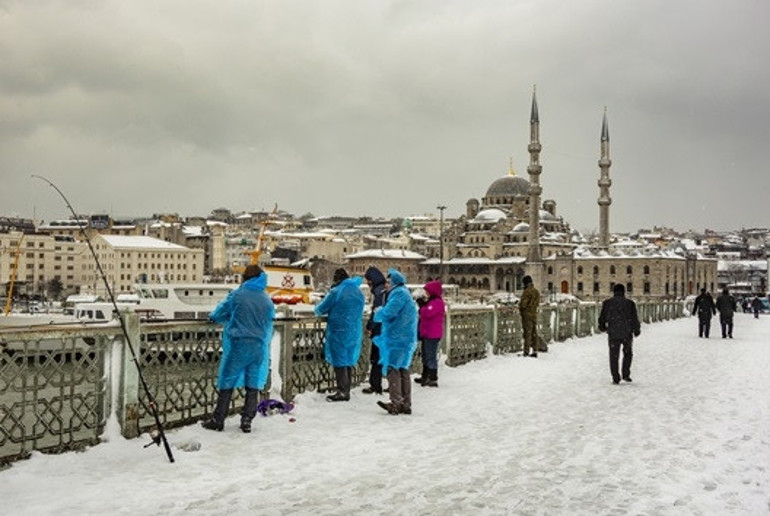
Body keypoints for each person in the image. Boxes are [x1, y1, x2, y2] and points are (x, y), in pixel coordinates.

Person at [202, 265, 275, 433]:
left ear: (245, 278)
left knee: (227, 381)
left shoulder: (237, 295)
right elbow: (270, 318)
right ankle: (247, 420)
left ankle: (218, 419)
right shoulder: (266, 298)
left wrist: (217, 318)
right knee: (253, 382)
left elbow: (219, 313)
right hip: (258, 347)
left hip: (239, 344)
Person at [314, 268, 366, 402]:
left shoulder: (336, 291)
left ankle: (342, 391)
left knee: (340, 360)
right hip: (354, 330)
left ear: (336, 279)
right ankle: (346, 388)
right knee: (348, 359)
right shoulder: (358, 291)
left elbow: (320, 310)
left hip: (339, 331)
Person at [373, 268, 418, 415]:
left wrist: (377, 312)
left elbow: (389, 313)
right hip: (405, 337)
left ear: (394, 282)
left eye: (388, 281)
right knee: (403, 369)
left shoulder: (398, 294)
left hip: (398, 338)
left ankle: (396, 402)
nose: (386, 284)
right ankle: (406, 403)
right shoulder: (405, 293)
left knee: (393, 369)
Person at [598, 283, 641, 384]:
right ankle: (625, 374)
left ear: (613, 291)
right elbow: (634, 318)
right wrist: (636, 330)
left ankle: (615, 377)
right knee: (628, 354)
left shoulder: (607, 303)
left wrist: (602, 327)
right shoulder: (630, 303)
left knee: (613, 355)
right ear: (624, 292)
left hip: (613, 332)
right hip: (627, 333)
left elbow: (602, 318)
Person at [414, 279, 445, 387]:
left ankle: (432, 378)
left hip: (432, 334)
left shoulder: (437, 302)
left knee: (430, 356)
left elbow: (427, 313)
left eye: (427, 291)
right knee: (426, 355)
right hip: (427, 333)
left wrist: (422, 306)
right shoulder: (432, 301)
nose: (426, 293)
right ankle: (425, 375)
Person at [362, 266, 387, 395]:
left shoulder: (379, 292)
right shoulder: (384, 290)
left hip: (380, 330)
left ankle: (375, 384)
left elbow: (377, 312)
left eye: (368, 280)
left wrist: (369, 326)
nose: (367, 283)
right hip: (386, 329)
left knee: (376, 357)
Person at [519, 275, 541, 357]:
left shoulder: (527, 291)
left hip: (527, 315)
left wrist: (520, 307)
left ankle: (526, 351)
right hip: (534, 314)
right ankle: (535, 350)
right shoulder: (536, 291)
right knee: (534, 333)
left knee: (527, 333)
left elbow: (523, 304)